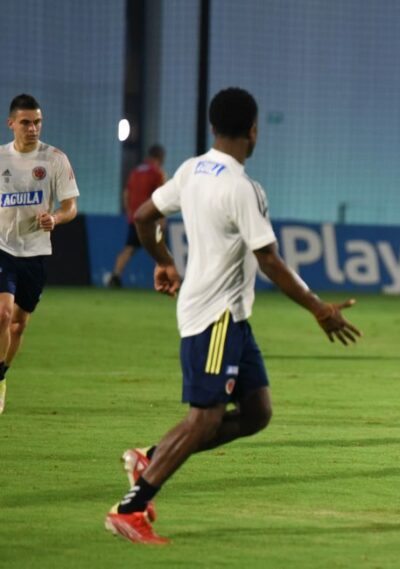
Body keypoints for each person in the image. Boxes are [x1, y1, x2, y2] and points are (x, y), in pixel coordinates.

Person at [104, 88, 362, 544]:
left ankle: (153, 455)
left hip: (230, 318)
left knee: (257, 411)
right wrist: (318, 309)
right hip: (215, 318)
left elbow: (144, 217)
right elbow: (270, 261)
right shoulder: (243, 188)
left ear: (212, 127)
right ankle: (132, 506)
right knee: (205, 417)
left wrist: (162, 259)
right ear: (254, 131)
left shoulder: (191, 170)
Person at [0, 94, 80, 415]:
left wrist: (56, 219)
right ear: (11, 124)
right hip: (2, 248)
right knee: (3, 314)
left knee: (18, 326)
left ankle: (2, 374)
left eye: (37, 122)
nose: (33, 128)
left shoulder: (55, 159)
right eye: (26, 122)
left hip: (35, 254)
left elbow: (70, 207)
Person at [109, 144, 166, 288]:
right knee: (159, 248)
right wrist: (161, 218)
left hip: (135, 217)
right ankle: (163, 279)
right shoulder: (157, 173)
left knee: (129, 248)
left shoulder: (135, 171)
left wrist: (129, 211)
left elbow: (126, 193)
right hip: (150, 218)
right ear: (160, 157)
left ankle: (115, 275)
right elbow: (162, 196)